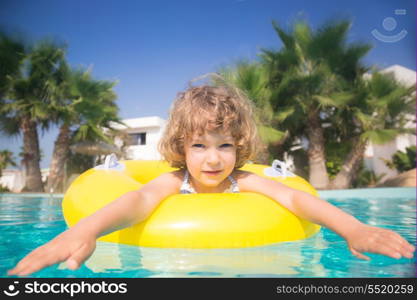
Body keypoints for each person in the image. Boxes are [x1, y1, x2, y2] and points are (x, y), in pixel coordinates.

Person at [8, 82, 415, 276]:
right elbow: (138, 201)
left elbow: (296, 201)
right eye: (200, 146)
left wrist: (353, 227)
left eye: (225, 146)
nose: (214, 159)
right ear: (183, 148)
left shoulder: (244, 180)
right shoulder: (173, 180)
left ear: (240, 147)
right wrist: (86, 230)